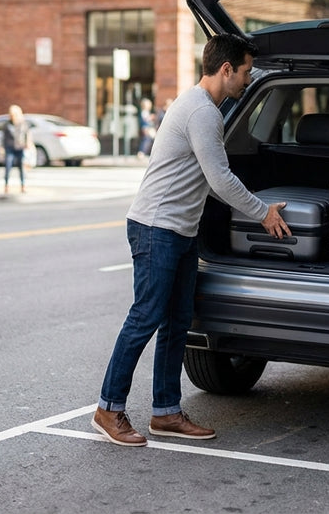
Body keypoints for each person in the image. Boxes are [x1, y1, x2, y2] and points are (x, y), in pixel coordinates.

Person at [92, 33, 291, 448]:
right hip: (156, 228)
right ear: (225, 70)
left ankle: (165, 412)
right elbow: (219, 179)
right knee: (146, 316)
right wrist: (263, 212)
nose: (248, 79)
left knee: (178, 320)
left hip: (179, 230)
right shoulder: (203, 113)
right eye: (246, 71)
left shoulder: (202, 106)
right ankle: (108, 408)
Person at [2, 104, 33, 193]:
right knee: (8, 167)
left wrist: (28, 144)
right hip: (9, 147)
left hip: (20, 147)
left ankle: (23, 186)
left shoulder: (23, 123)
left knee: (21, 168)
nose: (13, 116)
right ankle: (6, 185)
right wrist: (2, 147)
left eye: (14, 114)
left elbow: (27, 134)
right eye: (11, 114)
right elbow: (4, 137)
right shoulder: (7, 124)